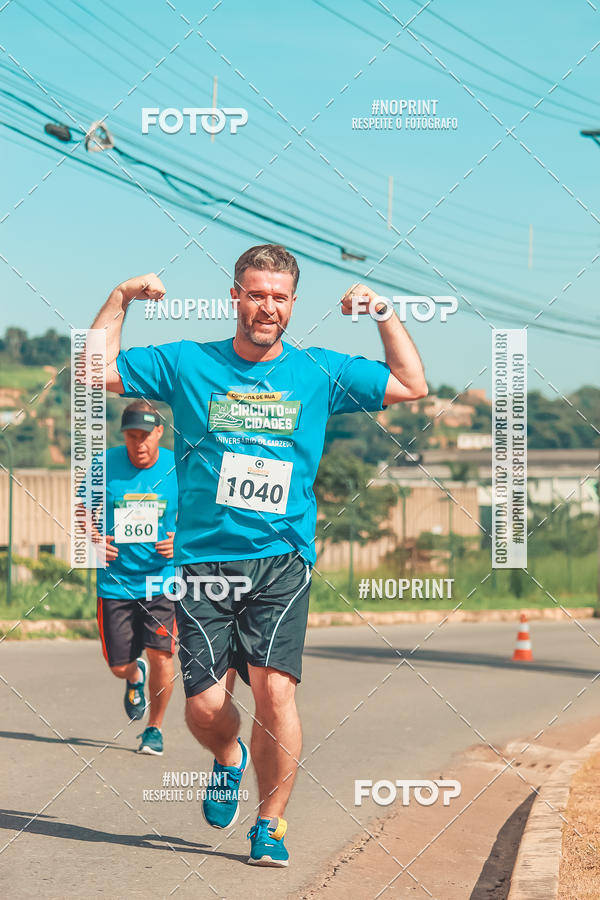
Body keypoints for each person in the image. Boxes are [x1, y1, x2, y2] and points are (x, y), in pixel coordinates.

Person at [91, 243, 427, 865]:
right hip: (201, 563)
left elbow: (412, 383)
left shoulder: (317, 371)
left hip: (281, 559)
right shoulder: (188, 363)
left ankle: (269, 823)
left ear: (292, 303)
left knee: (276, 694)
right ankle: (227, 755)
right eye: (255, 294)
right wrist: (120, 299)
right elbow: (95, 372)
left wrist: (382, 310)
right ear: (236, 297)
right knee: (206, 707)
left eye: (278, 296)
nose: (266, 307)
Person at [92, 399, 178, 756]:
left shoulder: (178, 467)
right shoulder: (105, 464)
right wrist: (92, 539)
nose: (138, 444)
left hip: (161, 580)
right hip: (116, 583)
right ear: (123, 435)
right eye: (131, 436)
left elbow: (204, 514)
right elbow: (81, 509)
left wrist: (181, 539)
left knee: (163, 656)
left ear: (159, 432)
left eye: (145, 435)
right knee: (118, 666)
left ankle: (154, 729)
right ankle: (132, 677)